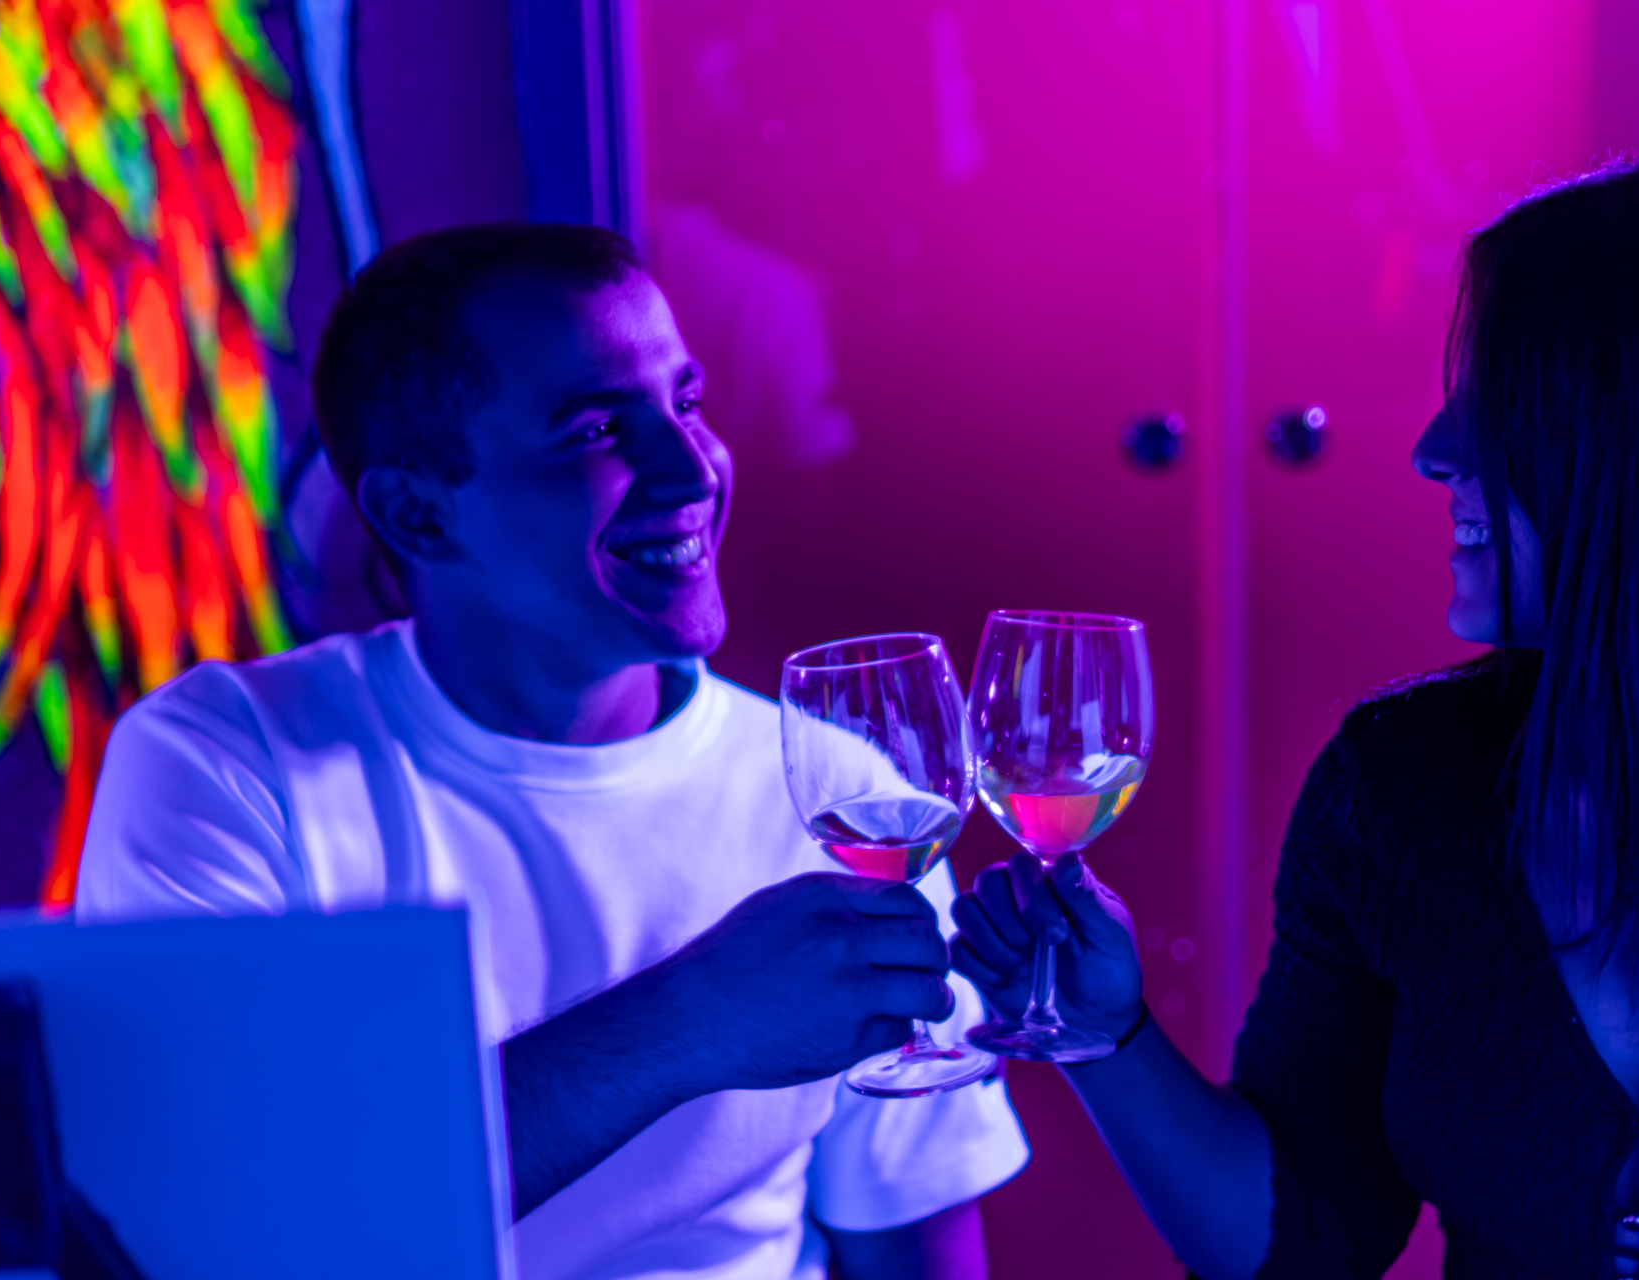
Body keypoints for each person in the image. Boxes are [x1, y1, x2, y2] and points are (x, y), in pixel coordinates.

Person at [948, 136, 1639, 1278]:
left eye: (1506, 397)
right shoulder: (1401, 787)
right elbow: (1305, 1236)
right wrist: (1106, 1033)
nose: (1431, 449)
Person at [76, 223, 1027, 1280]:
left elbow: (919, 1250)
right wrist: (693, 1022)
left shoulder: (843, 801)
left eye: (687, 402)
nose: (693, 469)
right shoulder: (227, 766)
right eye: (596, 431)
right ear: (417, 514)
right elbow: (217, 1231)